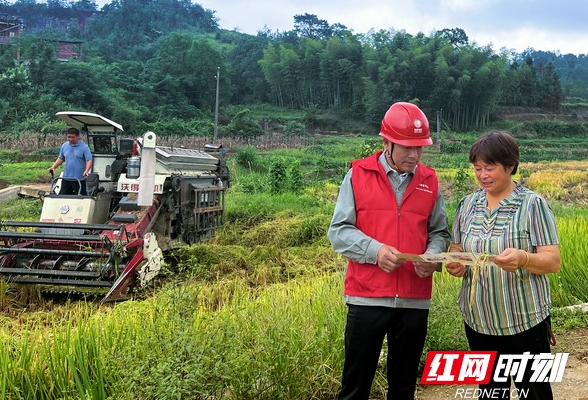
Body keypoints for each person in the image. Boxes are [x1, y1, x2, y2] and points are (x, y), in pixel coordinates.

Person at [328, 102, 450, 400]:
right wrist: (375, 250)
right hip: (367, 296)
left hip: (413, 300)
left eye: (420, 148)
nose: (415, 155)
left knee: (403, 386)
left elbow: (440, 233)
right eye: (408, 148)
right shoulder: (358, 175)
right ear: (386, 143)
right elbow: (339, 232)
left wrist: (433, 257)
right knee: (355, 387)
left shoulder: (430, 181)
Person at [445, 130, 561, 400]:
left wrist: (524, 259)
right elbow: (457, 248)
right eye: (477, 168)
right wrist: (455, 263)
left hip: (524, 321)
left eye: (489, 167)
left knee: (534, 393)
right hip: (479, 321)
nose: (482, 174)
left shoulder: (533, 205)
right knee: (491, 393)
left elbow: (552, 261)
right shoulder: (467, 205)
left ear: (510, 166)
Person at [48, 127, 93, 195]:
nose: (70, 139)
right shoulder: (64, 146)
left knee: (81, 198)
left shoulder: (84, 147)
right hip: (66, 178)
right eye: (69, 137)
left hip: (79, 179)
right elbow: (61, 158)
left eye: (72, 137)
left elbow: (89, 160)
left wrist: (86, 170)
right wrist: (53, 167)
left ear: (77, 136)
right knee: (64, 197)